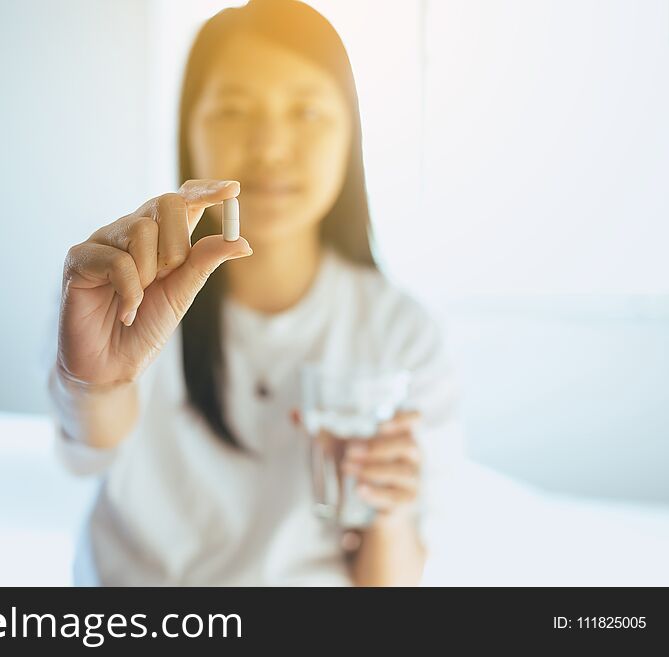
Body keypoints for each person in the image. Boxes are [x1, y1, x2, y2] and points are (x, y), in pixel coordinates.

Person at [48, 0, 464, 586]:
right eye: (234, 111)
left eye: (308, 111)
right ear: (188, 131)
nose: (270, 146)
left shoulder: (401, 332)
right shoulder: (120, 293)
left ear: (352, 134)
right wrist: (93, 382)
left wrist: (388, 510)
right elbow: (88, 450)